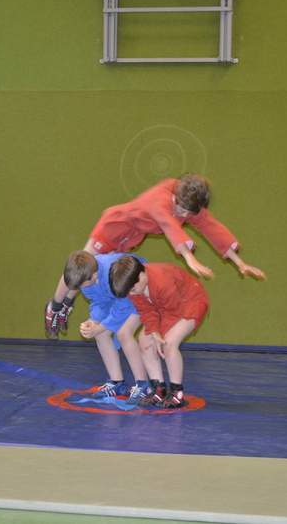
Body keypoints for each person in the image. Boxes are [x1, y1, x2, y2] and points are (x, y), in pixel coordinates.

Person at [45, 173, 264, 339]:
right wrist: (188, 256)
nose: (183, 216)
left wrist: (240, 262)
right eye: (181, 210)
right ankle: (55, 306)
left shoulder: (186, 201)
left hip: (129, 238)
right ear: (174, 197)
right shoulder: (161, 199)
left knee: (90, 275)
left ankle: (67, 304)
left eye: (188, 213)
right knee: (80, 266)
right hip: (114, 226)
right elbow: (168, 224)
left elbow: (211, 227)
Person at [109, 255, 209, 409]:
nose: (132, 294)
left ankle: (176, 393)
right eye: (129, 291)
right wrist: (154, 332)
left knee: (168, 343)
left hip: (191, 301)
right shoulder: (134, 286)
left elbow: (175, 312)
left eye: (133, 290)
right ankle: (159, 389)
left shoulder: (162, 281)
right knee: (145, 341)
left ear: (142, 276)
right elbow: (147, 310)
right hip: (166, 306)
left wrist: (159, 334)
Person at [63, 250, 150, 404]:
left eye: (82, 284)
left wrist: (101, 325)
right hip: (123, 297)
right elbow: (99, 300)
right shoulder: (87, 276)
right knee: (100, 332)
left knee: (124, 333)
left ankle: (143, 384)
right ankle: (117, 383)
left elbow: (124, 305)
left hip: (142, 291)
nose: (81, 288)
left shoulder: (112, 272)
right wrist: (94, 321)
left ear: (94, 275)